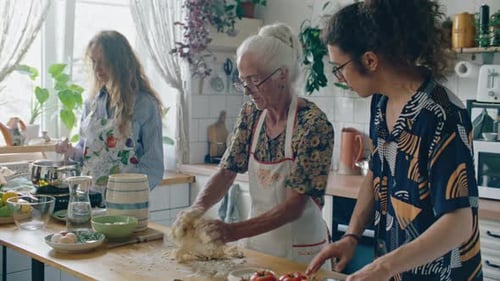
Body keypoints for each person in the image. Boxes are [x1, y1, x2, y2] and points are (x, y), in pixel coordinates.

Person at [306, 1, 483, 280]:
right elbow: (376, 174)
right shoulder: (381, 101)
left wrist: (382, 267)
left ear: (370, 60)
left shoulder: (442, 114)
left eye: (339, 67)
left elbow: (460, 223)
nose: (339, 77)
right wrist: (351, 236)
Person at [173, 23, 334, 266]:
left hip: (300, 254)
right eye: (242, 81)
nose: (247, 90)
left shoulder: (313, 125)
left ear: (282, 74)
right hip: (257, 248)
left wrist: (231, 231)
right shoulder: (252, 114)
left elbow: (294, 206)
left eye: (255, 80)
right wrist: (196, 209)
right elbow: (228, 171)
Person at [55, 30, 164, 192]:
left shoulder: (144, 105)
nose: (97, 68)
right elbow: (86, 151)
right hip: (90, 198)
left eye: (103, 62)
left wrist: (128, 194)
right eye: (93, 62)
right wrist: (71, 151)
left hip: (127, 202)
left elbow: (153, 166)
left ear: (120, 62)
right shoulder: (91, 103)